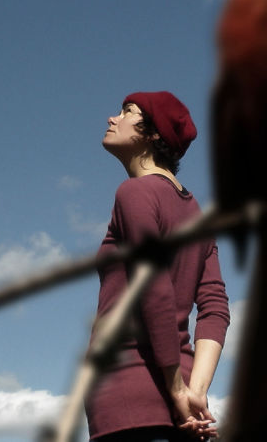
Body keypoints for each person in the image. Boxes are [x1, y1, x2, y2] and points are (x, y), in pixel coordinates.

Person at [86, 91, 230, 442]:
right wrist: (194, 389)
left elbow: (154, 288)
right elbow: (215, 307)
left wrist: (178, 390)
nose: (112, 118)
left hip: (130, 401)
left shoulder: (134, 193)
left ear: (153, 135)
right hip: (184, 411)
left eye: (126, 112)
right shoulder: (195, 212)